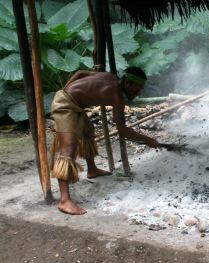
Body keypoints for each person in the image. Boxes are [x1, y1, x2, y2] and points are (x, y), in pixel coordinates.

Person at [50, 67, 168, 215]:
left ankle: (92, 170)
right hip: (65, 105)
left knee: (88, 132)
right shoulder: (116, 97)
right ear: (126, 83)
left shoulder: (109, 76)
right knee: (68, 149)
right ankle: (64, 201)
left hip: (73, 103)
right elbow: (123, 130)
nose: (138, 93)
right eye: (136, 89)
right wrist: (147, 139)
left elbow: (80, 73)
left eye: (141, 89)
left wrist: (66, 91)